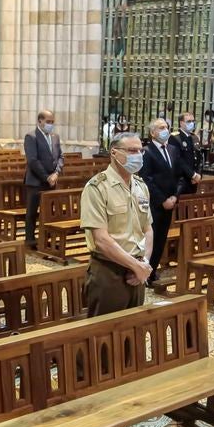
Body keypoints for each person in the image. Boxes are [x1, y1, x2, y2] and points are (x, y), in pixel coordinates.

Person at [80, 132, 153, 316]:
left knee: (131, 333)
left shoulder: (140, 186)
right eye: (132, 150)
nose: (138, 155)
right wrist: (136, 267)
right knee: (104, 337)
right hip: (108, 271)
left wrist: (143, 263)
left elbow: (148, 229)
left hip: (136, 273)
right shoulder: (97, 187)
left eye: (140, 151)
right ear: (114, 153)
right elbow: (101, 240)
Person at [139, 118, 191, 286]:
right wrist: (162, 200)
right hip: (155, 204)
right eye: (161, 127)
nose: (165, 130)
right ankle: (144, 271)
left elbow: (180, 177)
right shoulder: (147, 151)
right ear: (153, 132)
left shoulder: (173, 150)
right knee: (150, 238)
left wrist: (175, 197)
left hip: (170, 202)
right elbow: (146, 179)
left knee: (161, 239)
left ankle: (152, 271)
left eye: (167, 127)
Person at [22, 110, 64, 247]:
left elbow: (60, 157)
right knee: (32, 212)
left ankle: (47, 239)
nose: (51, 124)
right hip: (36, 181)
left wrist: (56, 173)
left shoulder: (55, 136)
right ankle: (30, 240)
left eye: (52, 122)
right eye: (48, 122)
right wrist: (46, 177)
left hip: (52, 180)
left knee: (49, 212)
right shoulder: (31, 136)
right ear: (40, 121)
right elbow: (33, 160)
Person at [170, 112, 203, 194]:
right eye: (188, 121)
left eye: (193, 121)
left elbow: (199, 158)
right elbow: (178, 160)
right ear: (181, 123)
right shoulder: (175, 138)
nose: (192, 123)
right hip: (181, 180)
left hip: (194, 180)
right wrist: (193, 175)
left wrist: (198, 175)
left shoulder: (194, 137)